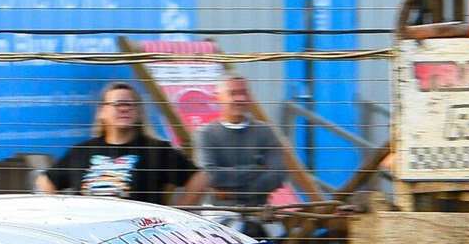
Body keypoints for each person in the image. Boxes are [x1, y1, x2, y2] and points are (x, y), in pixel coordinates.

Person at [37, 82, 209, 206]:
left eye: (130, 104)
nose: (124, 108)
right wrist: (60, 212)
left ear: (139, 112)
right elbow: (46, 180)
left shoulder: (156, 150)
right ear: (102, 112)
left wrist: (176, 215)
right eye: (117, 104)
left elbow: (199, 178)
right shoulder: (82, 151)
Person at [194, 75, 293, 206]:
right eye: (233, 93)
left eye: (244, 93)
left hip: (258, 210)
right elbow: (210, 175)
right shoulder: (206, 134)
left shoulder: (265, 131)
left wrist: (233, 193)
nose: (240, 99)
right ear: (218, 98)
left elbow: (278, 174)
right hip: (219, 213)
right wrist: (256, 169)